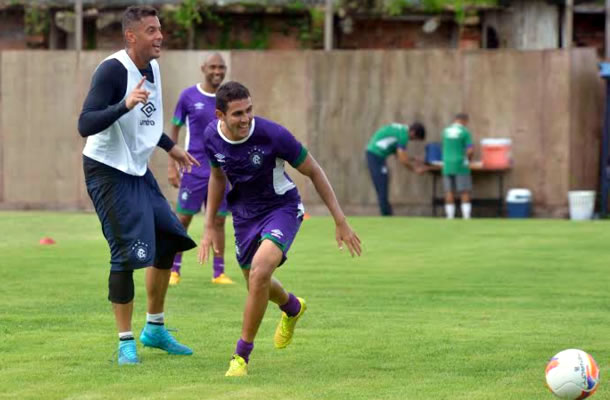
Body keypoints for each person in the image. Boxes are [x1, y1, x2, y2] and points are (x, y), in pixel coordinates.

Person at [198, 81, 362, 377]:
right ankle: (292, 306)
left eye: (249, 110)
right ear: (220, 115)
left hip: (281, 209)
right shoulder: (211, 137)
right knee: (255, 283)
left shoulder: (273, 135)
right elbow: (217, 177)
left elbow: (313, 170)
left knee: (260, 272)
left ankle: (241, 356)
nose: (246, 118)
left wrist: (340, 219)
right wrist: (209, 224)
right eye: (237, 114)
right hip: (244, 217)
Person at [78, 5, 198, 365]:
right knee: (126, 254)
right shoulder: (113, 71)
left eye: (159, 29)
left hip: (136, 169)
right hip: (107, 170)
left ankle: (155, 329)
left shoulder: (154, 67)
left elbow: (145, 123)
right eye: (150, 30)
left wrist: (171, 147)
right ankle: (125, 340)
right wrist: (123, 105)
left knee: (169, 239)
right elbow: (85, 124)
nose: (159, 36)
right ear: (131, 36)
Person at [167, 53, 234, 286]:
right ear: (203, 68)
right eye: (213, 67)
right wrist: (172, 166)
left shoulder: (228, 98)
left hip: (221, 169)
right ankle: (174, 270)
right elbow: (174, 129)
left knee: (219, 221)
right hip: (193, 168)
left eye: (221, 67)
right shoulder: (188, 96)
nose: (217, 71)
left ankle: (219, 273)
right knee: (183, 218)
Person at [365, 122, 426, 216]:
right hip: (375, 156)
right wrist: (415, 169)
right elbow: (402, 159)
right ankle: (386, 216)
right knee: (382, 187)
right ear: (413, 133)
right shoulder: (404, 135)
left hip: (375, 155)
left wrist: (413, 159)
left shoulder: (401, 130)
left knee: (383, 186)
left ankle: (387, 214)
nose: (411, 140)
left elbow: (399, 154)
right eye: (414, 139)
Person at [441, 113, 474, 219]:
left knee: (449, 191)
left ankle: (450, 217)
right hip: (460, 164)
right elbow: (470, 149)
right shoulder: (465, 132)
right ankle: (466, 217)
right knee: (464, 190)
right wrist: (468, 160)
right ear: (464, 121)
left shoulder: (445, 131)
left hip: (447, 164)